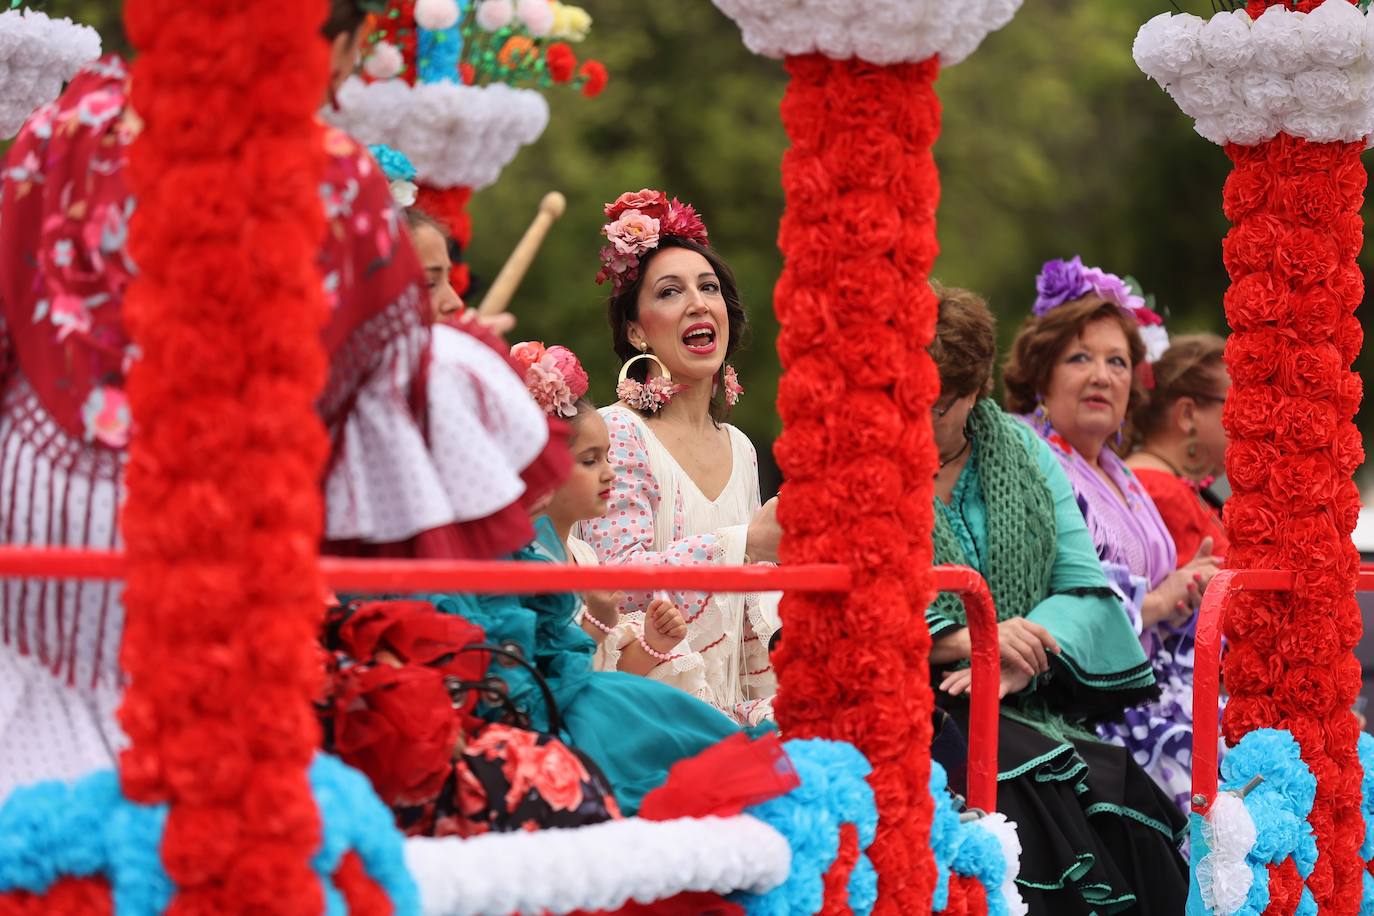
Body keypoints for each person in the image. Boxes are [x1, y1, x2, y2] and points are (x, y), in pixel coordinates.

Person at [0, 0, 555, 800]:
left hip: (37, 490)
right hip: (205, 502)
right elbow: (368, 381)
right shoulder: (325, 166)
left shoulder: (60, 124)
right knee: (195, 774)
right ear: (341, 46)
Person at [927, 283, 1188, 913]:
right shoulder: (863, 455)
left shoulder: (1024, 454)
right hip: (913, 690)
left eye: (937, 407)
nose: (915, 419)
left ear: (973, 391)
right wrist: (965, 640)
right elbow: (855, 585)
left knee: (1106, 792)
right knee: (1028, 784)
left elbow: (1084, 588)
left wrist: (1021, 651)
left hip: (1025, 692)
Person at [1004, 258, 1221, 814]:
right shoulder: (1027, 460)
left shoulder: (1118, 472)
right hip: (1082, 705)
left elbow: (1159, 598)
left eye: (1118, 361)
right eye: (1081, 358)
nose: (1103, 375)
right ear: (1042, 375)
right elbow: (1037, 596)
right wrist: (1156, 602)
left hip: (1154, 690)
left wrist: (1185, 593)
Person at [578, 189, 781, 726]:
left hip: (736, 716)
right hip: (648, 715)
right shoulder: (616, 433)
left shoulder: (741, 446)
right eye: (670, 292)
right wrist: (743, 544)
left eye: (709, 288)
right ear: (636, 329)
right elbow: (617, 583)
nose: (698, 303)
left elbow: (745, 621)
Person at [508, 339, 691, 678]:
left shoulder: (585, 556)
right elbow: (545, 679)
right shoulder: (522, 562)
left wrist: (654, 642)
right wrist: (596, 623)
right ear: (541, 468)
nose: (610, 472)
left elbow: (606, 674)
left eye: (607, 456)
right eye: (590, 461)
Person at [1125, 334, 1230, 562]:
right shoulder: (1165, 495)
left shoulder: (1160, 484)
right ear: (1187, 414)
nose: (1249, 419)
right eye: (1236, 403)